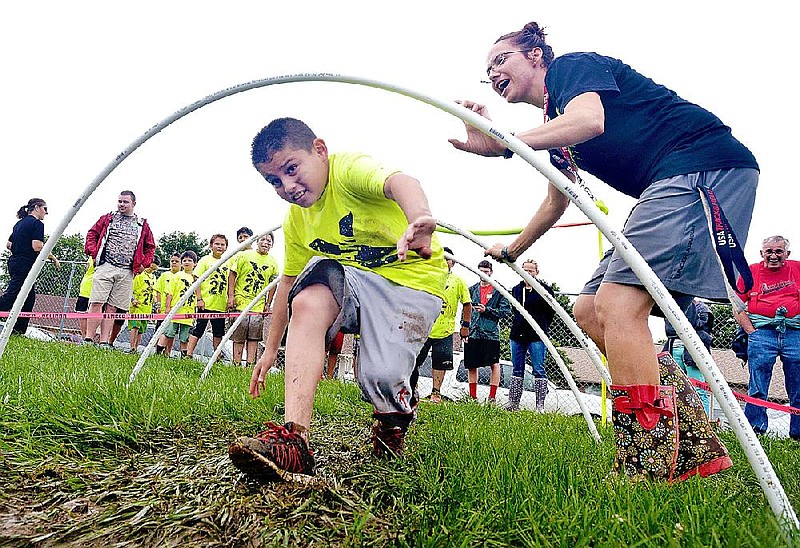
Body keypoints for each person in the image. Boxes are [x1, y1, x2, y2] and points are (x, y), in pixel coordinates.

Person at [449, 21, 758, 481]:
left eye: (501, 59)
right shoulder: (555, 127)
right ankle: (693, 443)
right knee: (591, 310)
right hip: (668, 181)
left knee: (618, 304)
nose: (493, 73)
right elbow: (558, 199)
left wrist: (504, 144)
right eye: (486, 70)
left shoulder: (571, 70)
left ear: (536, 55)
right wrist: (511, 253)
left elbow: (591, 121)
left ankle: (646, 459)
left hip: (702, 166)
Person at [228, 117, 447, 483]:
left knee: (380, 379)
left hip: (412, 281)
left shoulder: (347, 170)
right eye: (274, 181)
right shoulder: (296, 220)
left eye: (291, 169)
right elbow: (286, 287)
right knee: (311, 292)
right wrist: (269, 351)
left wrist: (420, 219)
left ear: (320, 150)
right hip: (354, 284)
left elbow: (402, 182)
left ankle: (393, 420)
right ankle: (295, 440)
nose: (287, 186)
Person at [734, 236, 800, 441]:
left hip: (794, 333)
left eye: (779, 251)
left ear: (787, 254)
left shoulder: (797, 269)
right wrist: (751, 332)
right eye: (769, 251)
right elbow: (736, 305)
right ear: (761, 253)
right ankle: (755, 431)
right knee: (757, 385)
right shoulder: (751, 271)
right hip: (762, 333)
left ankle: (797, 435)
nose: (773, 256)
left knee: (798, 386)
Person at [84, 191, 155, 349]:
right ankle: (88, 338)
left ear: (133, 204)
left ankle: (104, 341)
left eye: (125, 202)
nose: (122, 205)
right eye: (120, 201)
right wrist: (93, 252)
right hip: (106, 266)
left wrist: (143, 264)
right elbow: (92, 234)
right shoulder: (108, 219)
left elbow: (150, 247)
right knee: (97, 301)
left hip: (126, 271)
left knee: (112, 307)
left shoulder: (141, 225)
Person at [410, 246, 472, 403]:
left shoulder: (458, 281)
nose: (445, 262)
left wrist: (465, 326)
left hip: (445, 330)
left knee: (440, 363)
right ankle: (412, 389)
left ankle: (435, 393)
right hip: (424, 327)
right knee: (414, 360)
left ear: (453, 263)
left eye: (448, 259)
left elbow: (467, 304)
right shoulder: (427, 276)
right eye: (442, 258)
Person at [0, 199, 59, 335]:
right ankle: (17, 328)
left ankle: (18, 330)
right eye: (45, 209)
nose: (46, 213)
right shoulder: (37, 224)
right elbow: (37, 246)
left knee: (28, 298)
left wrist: (20, 247)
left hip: (14, 261)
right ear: (37, 208)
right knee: (12, 295)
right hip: (24, 264)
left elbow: (9, 244)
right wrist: (53, 257)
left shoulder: (19, 223)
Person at [507, 259, 555, 412]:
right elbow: (515, 309)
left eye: (531, 271)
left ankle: (539, 406)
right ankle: (513, 403)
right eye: (524, 270)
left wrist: (542, 325)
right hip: (518, 334)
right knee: (517, 368)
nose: (527, 273)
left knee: (538, 368)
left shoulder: (544, 290)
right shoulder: (516, 289)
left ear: (536, 272)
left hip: (537, 335)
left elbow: (550, 311)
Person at [226, 233, 279, 367]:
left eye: (269, 240)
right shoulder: (244, 255)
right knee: (238, 336)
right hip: (241, 302)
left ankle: (250, 364)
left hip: (258, 305)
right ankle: (236, 364)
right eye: (263, 239)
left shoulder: (273, 262)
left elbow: (273, 284)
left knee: (254, 337)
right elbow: (232, 274)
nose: (266, 242)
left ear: (272, 244)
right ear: (257, 241)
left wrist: (268, 303)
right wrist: (231, 296)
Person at [464, 260, 510, 403]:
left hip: (490, 333)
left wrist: (487, 310)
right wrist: (464, 327)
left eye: (486, 271)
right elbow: (466, 310)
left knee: (493, 364)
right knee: (471, 364)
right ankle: (472, 397)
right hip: (473, 331)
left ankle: (492, 397)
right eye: (480, 271)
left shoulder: (499, 290)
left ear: (491, 272)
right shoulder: (471, 290)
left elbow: (505, 311)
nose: (483, 274)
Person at [663, 298, 714, 415]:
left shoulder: (701, 308)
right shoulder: (669, 304)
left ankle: (704, 420)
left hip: (693, 351)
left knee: (698, 389)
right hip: (674, 348)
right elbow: (670, 329)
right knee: (675, 388)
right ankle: (680, 420)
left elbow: (699, 328)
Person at [187, 234, 230, 358]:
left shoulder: (228, 261)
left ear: (226, 247)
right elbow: (196, 278)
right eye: (217, 244)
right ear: (211, 245)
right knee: (198, 329)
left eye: (222, 244)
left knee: (218, 333)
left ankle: (217, 357)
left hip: (220, 304)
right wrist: (199, 298)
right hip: (205, 302)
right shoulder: (205, 260)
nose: (220, 246)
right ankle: (188, 354)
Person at [160, 251, 199, 357]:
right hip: (175, 312)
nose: (187, 262)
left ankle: (183, 356)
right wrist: (168, 307)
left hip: (188, 313)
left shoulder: (196, 279)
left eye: (190, 260)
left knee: (184, 337)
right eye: (184, 260)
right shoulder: (176, 276)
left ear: (195, 263)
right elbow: (169, 293)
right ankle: (159, 353)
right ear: (181, 263)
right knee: (168, 333)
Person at [127, 258, 159, 353]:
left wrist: (156, 305)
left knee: (141, 328)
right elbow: (131, 288)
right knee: (135, 326)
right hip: (137, 305)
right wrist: (132, 299)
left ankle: (136, 348)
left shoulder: (153, 277)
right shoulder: (139, 275)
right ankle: (132, 347)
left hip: (147, 307)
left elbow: (154, 293)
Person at [74, 257, 94, 340]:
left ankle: (86, 337)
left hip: (86, 289)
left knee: (85, 316)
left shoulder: (91, 257)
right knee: (86, 315)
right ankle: (86, 337)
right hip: (90, 289)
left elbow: (87, 267)